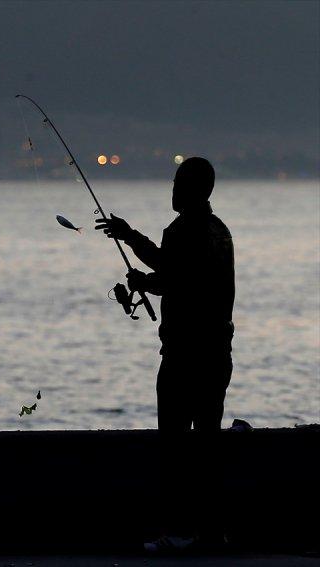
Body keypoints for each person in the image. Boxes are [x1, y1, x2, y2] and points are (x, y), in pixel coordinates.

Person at [95, 157, 235, 552]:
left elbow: (171, 272)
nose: (172, 189)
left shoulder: (181, 230)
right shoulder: (219, 230)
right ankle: (211, 534)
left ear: (191, 188)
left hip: (184, 355)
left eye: (177, 182)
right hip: (217, 352)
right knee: (208, 447)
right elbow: (189, 280)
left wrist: (130, 240)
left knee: (173, 447)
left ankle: (176, 533)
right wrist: (146, 276)